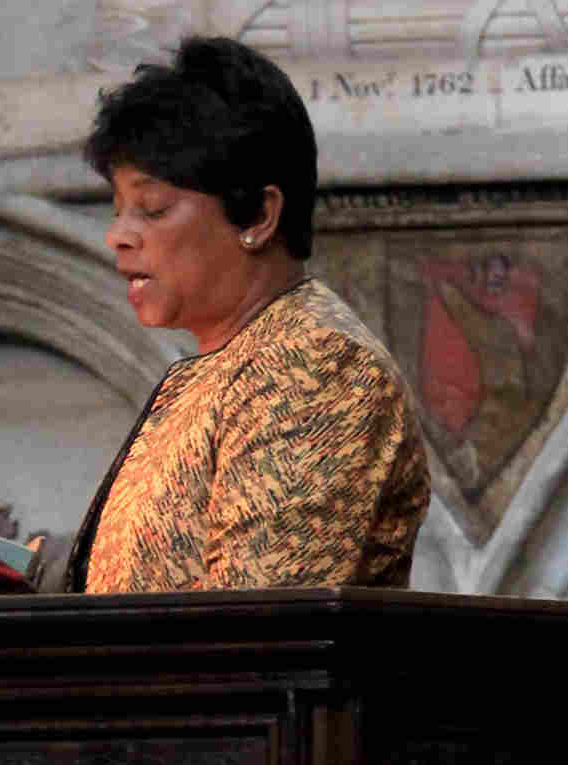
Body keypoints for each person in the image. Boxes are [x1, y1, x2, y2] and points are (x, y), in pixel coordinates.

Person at [50, 35, 429, 593]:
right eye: (118, 209)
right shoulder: (225, 366)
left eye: (152, 209)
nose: (117, 237)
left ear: (257, 214)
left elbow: (255, 631)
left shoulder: (315, 366)